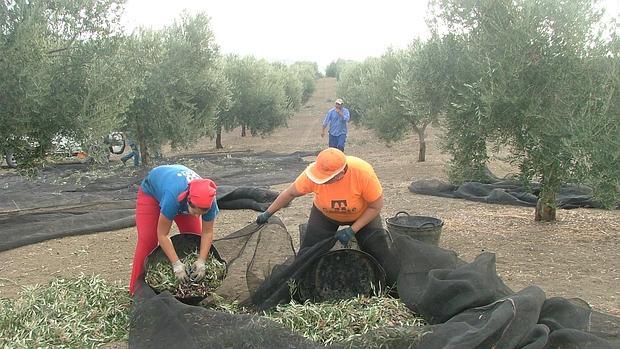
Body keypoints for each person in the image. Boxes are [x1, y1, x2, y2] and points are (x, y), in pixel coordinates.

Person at [256, 148, 383, 250]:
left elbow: (375, 206)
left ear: (340, 175)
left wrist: (352, 230)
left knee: (378, 250)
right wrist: (268, 213)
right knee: (310, 251)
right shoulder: (311, 174)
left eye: (325, 179)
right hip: (325, 215)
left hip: (362, 215)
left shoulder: (362, 173)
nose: (321, 181)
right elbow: (289, 193)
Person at [129, 164, 219, 294]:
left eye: (202, 213)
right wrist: (176, 264)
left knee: (194, 239)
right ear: (188, 201)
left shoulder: (210, 200)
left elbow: (207, 232)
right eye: (195, 211)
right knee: (148, 240)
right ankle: (135, 291)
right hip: (153, 192)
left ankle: (195, 288)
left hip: (180, 193)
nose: (197, 216)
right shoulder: (172, 197)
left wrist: (201, 260)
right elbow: (163, 235)